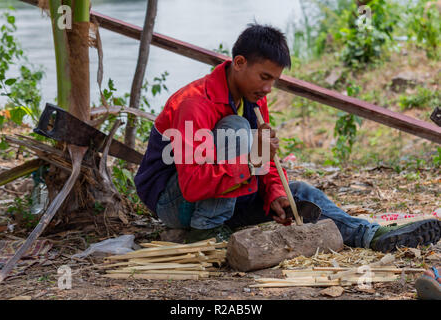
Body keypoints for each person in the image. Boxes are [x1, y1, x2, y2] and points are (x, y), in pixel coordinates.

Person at [134, 24, 441, 250]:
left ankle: (371, 235)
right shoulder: (194, 103)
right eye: (264, 77)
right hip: (175, 201)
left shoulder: (254, 97)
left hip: (222, 191)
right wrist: (252, 162)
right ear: (239, 63)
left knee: (299, 193)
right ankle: (206, 233)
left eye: (274, 80)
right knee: (237, 130)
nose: (268, 88)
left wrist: (275, 193)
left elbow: (264, 160)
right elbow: (193, 184)